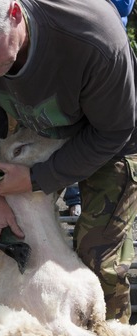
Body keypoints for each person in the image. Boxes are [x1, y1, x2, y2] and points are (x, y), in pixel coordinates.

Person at [0, 0, 137, 323]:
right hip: (36, 123)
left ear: (14, 14)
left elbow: (115, 130)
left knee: (98, 254)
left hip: (111, 135)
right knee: (10, 237)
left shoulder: (95, 37)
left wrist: (36, 178)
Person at [62, 0, 135, 217]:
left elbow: (123, 6)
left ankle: (87, 204)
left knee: (103, 138)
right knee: (67, 138)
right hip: (66, 62)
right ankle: (75, 199)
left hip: (104, 61)